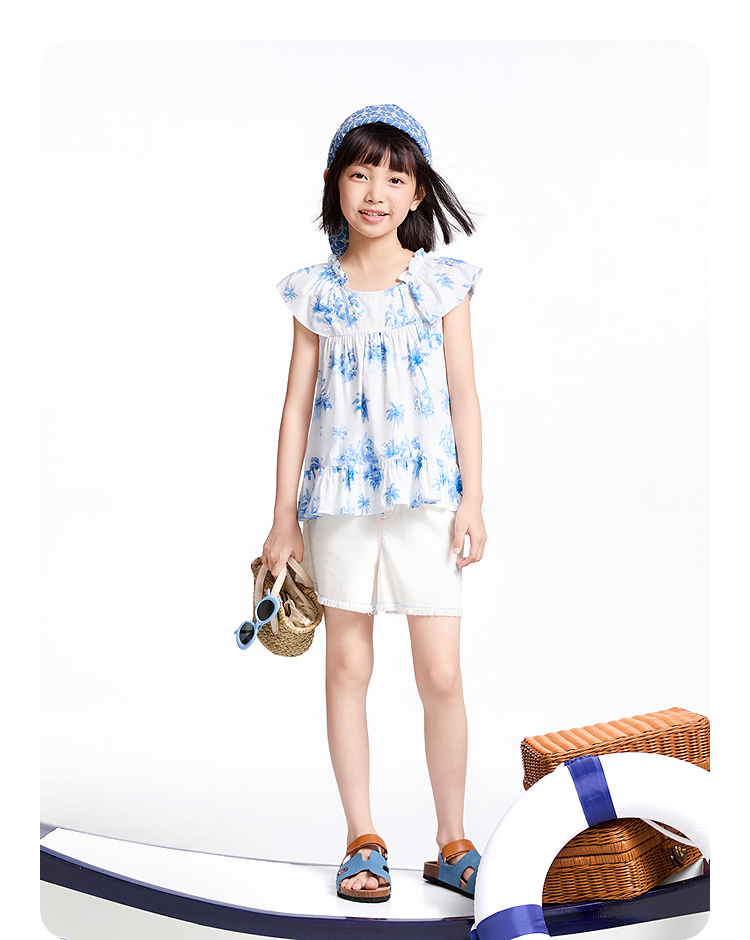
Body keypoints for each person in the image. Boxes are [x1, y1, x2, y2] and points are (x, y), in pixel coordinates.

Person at [262, 104, 486, 904]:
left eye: (394, 178)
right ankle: (362, 838)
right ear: (335, 183)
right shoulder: (316, 292)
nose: (376, 193)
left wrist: (474, 499)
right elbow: (296, 406)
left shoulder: (440, 285)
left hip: (427, 496)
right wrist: (282, 519)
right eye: (360, 174)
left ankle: (453, 842)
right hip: (339, 499)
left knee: (442, 673)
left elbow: (464, 393)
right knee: (348, 665)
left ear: (418, 192)